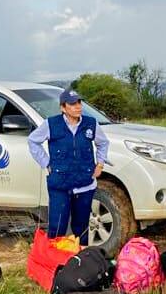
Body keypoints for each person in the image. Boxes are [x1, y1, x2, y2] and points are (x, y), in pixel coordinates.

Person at [28, 88, 110, 245]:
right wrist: (46, 163)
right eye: (72, 104)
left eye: (79, 103)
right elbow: (33, 141)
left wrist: (100, 164)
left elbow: (103, 143)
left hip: (85, 185)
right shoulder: (51, 124)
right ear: (63, 108)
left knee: (81, 229)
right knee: (57, 228)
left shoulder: (90, 124)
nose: (78, 107)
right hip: (60, 185)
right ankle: (54, 264)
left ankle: (80, 263)